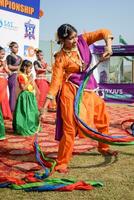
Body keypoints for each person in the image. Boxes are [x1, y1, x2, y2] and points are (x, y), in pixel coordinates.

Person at [40, 24, 118, 173]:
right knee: (70, 128)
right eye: (71, 38)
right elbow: (55, 83)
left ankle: (104, 147)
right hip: (70, 92)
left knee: (102, 117)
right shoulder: (61, 58)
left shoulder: (83, 40)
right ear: (63, 40)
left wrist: (109, 46)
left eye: (75, 36)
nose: (75, 40)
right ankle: (62, 161)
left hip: (88, 87)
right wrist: (44, 108)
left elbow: (104, 31)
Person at [13, 60, 40, 136]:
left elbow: (33, 87)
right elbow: (23, 88)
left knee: (31, 112)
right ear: (25, 67)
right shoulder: (20, 76)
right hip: (24, 97)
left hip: (30, 96)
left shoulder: (28, 76)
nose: (31, 70)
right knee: (24, 112)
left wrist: (32, 80)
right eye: (30, 68)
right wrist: (30, 80)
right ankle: (24, 126)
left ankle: (31, 125)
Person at [6, 42, 22, 113]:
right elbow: (9, 67)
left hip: (19, 76)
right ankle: (12, 109)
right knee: (12, 93)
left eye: (17, 47)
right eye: (15, 47)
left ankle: (19, 109)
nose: (17, 49)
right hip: (12, 76)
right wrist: (19, 67)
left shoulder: (19, 57)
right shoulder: (9, 57)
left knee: (20, 92)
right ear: (11, 48)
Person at [0, 46, 12, 121]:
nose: (3, 56)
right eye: (1, 54)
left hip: (4, 81)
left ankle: (4, 113)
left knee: (4, 97)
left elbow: (9, 72)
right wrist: (2, 66)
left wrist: (5, 67)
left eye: (4, 54)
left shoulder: (4, 62)